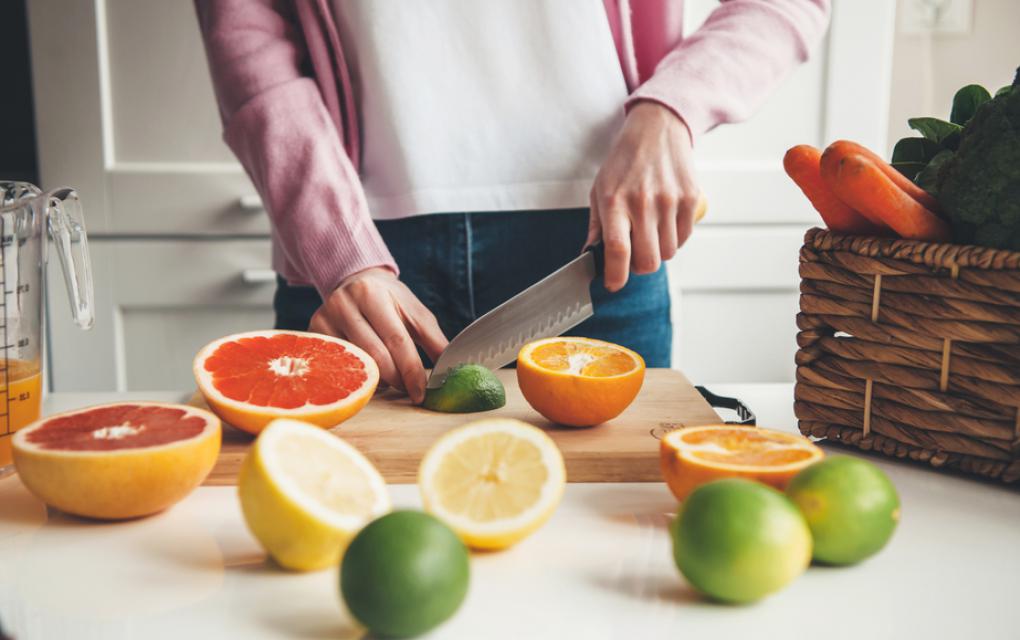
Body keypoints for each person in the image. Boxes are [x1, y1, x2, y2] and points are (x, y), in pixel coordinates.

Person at [195, 0, 829, 403]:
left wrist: (672, 110)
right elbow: (243, 29)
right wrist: (333, 244)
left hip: (598, 247)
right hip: (353, 272)